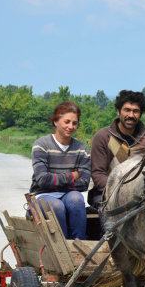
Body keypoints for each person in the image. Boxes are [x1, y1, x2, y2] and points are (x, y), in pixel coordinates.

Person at [29, 101, 91, 240]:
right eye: (66, 122)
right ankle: (62, 245)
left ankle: (79, 243)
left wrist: (56, 180)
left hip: (69, 194)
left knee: (76, 199)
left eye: (74, 123)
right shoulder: (41, 145)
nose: (71, 127)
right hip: (42, 195)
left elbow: (84, 183)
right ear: (56, 121)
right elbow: (43, 181)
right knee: (57, 206)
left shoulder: (81, 148)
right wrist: (72, 176)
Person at [87, 90, 145, 208]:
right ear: (118, 111)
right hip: (107, 192)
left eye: (135, 111)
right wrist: (122, 190)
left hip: (144, 193)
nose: (131, 115)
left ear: (140, 114)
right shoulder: (104, 137)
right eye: (127, 110)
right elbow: (98, 173)